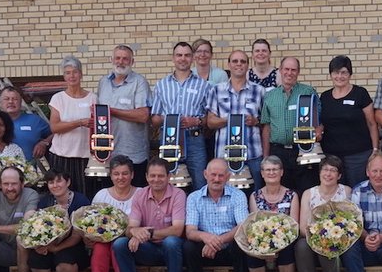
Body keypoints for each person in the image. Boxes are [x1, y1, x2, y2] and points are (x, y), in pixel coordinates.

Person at [113, 157, 188, 272]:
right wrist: (134, 232)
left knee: (171, 242)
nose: (156, 179)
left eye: (161, 176)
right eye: (152, 176)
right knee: (120, 244)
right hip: (149, 249)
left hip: (173, 251)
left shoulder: (178, 194)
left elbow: (177, 229)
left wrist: (147, 233)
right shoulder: (140, 195)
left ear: (169, 177)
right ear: (146, 177)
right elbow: (131, 227)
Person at [183, 158, 250, 272]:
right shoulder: (194, 197)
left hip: (229, 247)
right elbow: (190, 231)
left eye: (221, 175)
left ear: (228, 177)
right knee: (188, 246)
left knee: (242, 242)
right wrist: (205, 237)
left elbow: (243, 226)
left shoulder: (238, 195)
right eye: (213, 175)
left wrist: (218, 241)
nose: (217, 179)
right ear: (205, 174)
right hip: (205, 250)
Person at [24, 168, 90, 272]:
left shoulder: (80, 200)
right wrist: (41, 245)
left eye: (59, 181)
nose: (55, 185)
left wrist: (56, 248)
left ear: (68, 182)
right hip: (50, 244)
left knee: (64, 260)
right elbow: (38, 227)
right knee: (35, 258)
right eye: (51, 182)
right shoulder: (45, 201)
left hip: (74, 245)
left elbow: (78, 234)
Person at [296, 156, 355, 272]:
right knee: (301, 246)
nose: (328, 174)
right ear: (319, 172)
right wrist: (318, 238)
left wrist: (330, 238)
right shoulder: (309, 194)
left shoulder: (346, 191)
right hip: (312, 236)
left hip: (340, 238)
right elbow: (302, 226)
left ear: (339, 175)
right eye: (325, 170)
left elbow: (352, 220)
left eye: (333, 170)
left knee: (329, 246)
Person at [152, 41, 213, 187]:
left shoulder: (204, 85)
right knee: (167, 183)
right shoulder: (161, 85)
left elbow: (210, 119)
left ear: (192, 58)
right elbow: (154, 119)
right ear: (173, 58)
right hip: (168, 140)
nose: (183, 58)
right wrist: (168, 120)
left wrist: (197, 121)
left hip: (194, 140)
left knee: (200, 183)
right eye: (179, 55)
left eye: (187, 55)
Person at [246, 156, 301, 272]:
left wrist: (278, 243)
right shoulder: (255, 196)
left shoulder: (292, 195)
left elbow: (294, 224)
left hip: (286, 237)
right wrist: (267, 245)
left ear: (281, 172)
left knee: (287, 249)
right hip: (263, 237)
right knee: (252, 248)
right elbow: (255, 223)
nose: (271, 173)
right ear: (262, 173)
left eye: (275, 169)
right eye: (268, 170)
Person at [260, 56, 320, 194]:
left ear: (298, 72)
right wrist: (266, 156)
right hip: (278, 151)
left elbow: (318, 121)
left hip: (303, 150)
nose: (289, 73)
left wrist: (318, 131)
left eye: (293, 70)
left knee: (305, 191)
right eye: (286, 69)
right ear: (280, 70)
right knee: (282, 192)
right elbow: (266, 128)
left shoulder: (308, 92)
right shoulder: (270, 96)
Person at [88, 155, 139, 272]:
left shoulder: (141, 193)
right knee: (99, 249)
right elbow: (92, 220)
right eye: (116, 174)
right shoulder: (102, 195)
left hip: (130, 239)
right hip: (104, 239)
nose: (120, 177)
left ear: (132, 175)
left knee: (118, 246)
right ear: (110, 175)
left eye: (125, 173)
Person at [319, 55, 377, 188]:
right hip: (332, 156)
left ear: (350, 74)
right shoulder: (325, 97)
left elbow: (372, 123)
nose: (339, 76)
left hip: (358, 156)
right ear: (330, 74)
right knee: (336, 193)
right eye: (336, 72)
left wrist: (375, 150)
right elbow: (322, 123)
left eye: (344, 72)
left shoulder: (360, 93)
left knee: (358, 190)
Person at [96, 44, 151, 184]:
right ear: (111, 60)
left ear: (132, 62)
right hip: (107, 154)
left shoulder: (139, 82)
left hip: (133, 154)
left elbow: (143, 115)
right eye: (117, 58)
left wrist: (111, 111)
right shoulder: (103, 83)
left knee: (135, 194)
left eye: (125, 59)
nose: (121, 62)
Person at [206, 50, 265, 173]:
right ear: (229, 65)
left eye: (243, 61)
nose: (239, 64)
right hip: (224, 155)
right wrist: (229, 120)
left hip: (252, 154)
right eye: (235, 61)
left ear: (248, 65)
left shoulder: (259, 91)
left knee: (255, 186)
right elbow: (210, 122)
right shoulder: (216, 90)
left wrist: (255, 121)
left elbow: (265, 121)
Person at [46, 56, 98, 189]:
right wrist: (79, 123)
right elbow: (54, 127)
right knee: (62, 192)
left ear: (81, 74)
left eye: (75, 72)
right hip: (61, 156)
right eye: (67, 73)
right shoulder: (58, 98)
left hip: (86, 155)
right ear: (64, 76)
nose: (72, 76)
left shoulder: (93, 98)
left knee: (85, 192)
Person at [0, 85, 51, 160]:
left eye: (15, 99)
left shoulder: (35, 121)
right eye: (6, 99)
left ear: (21, 102)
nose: (10, 102)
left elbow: (56, 134)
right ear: (0, 102)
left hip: (28, 166)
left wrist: (44, 143)